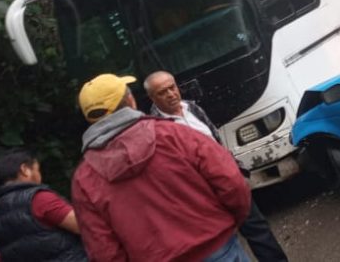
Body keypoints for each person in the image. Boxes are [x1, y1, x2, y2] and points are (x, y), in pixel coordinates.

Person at [71, 74, 251, 261]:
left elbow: (103, 248)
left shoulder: (84, 179)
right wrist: (232, 222)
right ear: (131, 101)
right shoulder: (175, 134)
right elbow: (231, 181)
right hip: (217, 249)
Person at [144, 71, 288, 262]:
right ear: (152, 98)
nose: (171, 94)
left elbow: (216, 139)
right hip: (202, 195)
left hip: (228, 182)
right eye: (163, 92)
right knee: (223, 247)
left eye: (172, 87)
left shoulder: (192, 108)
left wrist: (235, 170)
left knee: (257, 228)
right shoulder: (157, 128)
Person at [0, 149, 86, 261]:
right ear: (25, 170)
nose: (39, 176)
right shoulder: (39, 199)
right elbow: (85, 226)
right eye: (37, 170)